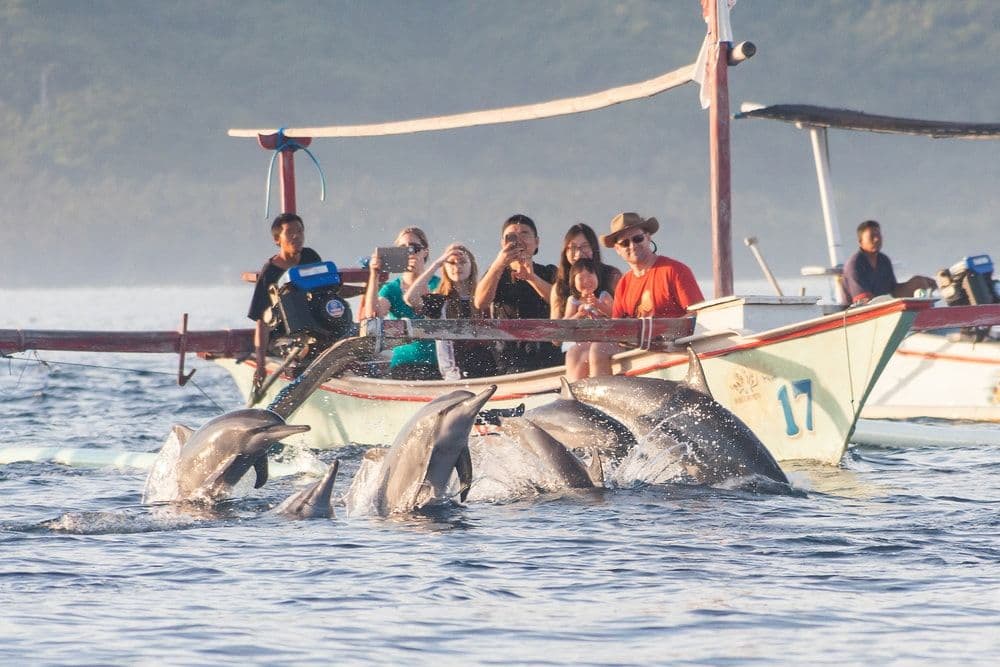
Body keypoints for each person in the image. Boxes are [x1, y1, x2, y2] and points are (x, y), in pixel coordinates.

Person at [474, 214, 564, 374]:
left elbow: (561, 303)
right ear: (503, 243)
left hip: (549, 358)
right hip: (510, 360)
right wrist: (499, 263)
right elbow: (480, 302)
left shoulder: (549, 272)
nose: (518, 240)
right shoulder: (496, 274)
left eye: (524, 234)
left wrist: (532, 278)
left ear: (536, 242)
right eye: (512, 236)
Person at [247, 212, 322, 392]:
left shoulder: (310, 257)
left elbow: (326, 288)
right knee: (301, 349)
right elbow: (261, 322)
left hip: (313, 327)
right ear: (277, 239)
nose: (296, 236)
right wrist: (260, 365)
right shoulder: (270, 272)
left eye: (300, 231)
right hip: (284, 337)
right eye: (290, 233)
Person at [404, 243, 497, 380]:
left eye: (462, 262)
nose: (457, 267)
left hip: (486, 368)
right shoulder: (440, 300)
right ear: (444, 268)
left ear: (472, 266)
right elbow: (410, 298)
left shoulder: (483, 298)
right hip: (453, 373)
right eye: (451, 263)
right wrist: (436, 264)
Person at [359, 226, 441, 380]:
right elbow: (373, 314)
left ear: (425, 252)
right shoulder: (392, 288)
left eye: (414, 248)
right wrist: (374, 274)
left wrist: (419, 274)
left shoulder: (439, 285)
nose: (410, 253)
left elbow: (428, 308)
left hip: (438, 363)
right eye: (403, 249)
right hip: (404, 363)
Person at [550, 223, 622, 379]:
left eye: (584, 246)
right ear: (565, 252)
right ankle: (576, 392)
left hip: (609, 341)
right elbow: (555, 338)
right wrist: (577, 316)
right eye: (572, 247)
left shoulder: (611, 276)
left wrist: (600, 306)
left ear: (594, 248)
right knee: (577, 353)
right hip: (578, 345)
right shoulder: (560, 288)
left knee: (593, 350)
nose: (578, 253)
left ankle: (597, 389)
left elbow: (622, 316)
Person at [602, 211, 704, 319]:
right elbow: (618, 326)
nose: (632, 246)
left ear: (648, 237)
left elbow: (699, 314)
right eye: (625, 243)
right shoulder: (623, 284)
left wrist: (668, 328)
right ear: (617, 249)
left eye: (638, 239)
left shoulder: (675, 271)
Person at [842, 220, 936, 305]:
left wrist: (920, 283)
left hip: (886, 306)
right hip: (860, 312)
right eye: (872, 236)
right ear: (860, 241)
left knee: (920, 282)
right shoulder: (854, 264)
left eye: (878, 236)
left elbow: (893, 290)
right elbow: (863, 300)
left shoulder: (884, 260)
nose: (876, 239)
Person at [562, 258, 615, 380]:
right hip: (581, 341)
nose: (586, 280)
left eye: (590, 275)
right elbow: (566, 323)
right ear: (573, 281)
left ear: (597, 277)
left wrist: (599, 305)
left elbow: (614, 314)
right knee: (573, 353)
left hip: (602, 339)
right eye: (581, 278)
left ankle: (587, 383)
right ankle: (574, 384)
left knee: (588, 355)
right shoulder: (573, 301)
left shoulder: (603, 296)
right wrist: (578, 315)